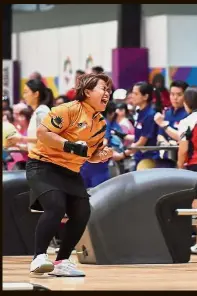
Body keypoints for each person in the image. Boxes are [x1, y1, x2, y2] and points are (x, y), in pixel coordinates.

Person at [27, 73, 113, 276]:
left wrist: (102, 155)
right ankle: (38, 257)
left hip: (71, 172)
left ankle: (61, 262)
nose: (107, 93)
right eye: (103, 88)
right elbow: (42, 133)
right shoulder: (67, 110)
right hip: (43, 166)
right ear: (87, 91)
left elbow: (90, 155)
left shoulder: (100, 123)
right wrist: (70, 146)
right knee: (55, 206)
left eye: (109, 90)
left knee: (82, 212)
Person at [5, 80, 53, 152]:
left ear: (36, 94)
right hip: (35, 160)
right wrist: (18, 146)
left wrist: (21, 139)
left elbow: (46, 140)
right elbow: (35, 146)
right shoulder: (36, 112)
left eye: (26, 92)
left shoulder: (42, 111)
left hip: (41, 161)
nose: (24, 96)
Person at [121, 82, 159, 168]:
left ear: (145, 96)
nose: (132, 96)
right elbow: (138, 136)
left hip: (148, 159)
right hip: (138, 157)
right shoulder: (140, 112)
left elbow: (142, 142)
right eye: (132, 93)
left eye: (135, 93)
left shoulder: (150, 115)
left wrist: (123, 154)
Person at [154, 80, 189, 166]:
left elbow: (181, 137)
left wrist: (164, 125)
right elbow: (160, 134)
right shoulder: (167, 112)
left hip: (181, 159)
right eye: (172, 94)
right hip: (164, 158)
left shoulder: (188, 114)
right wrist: (165, 143)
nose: (175, 98)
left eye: (179, 95)